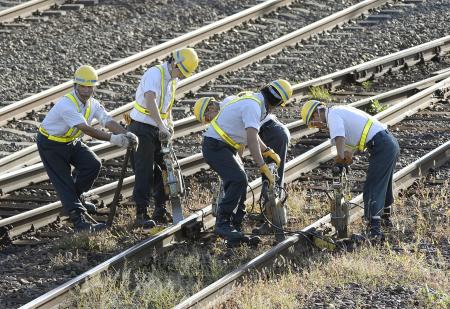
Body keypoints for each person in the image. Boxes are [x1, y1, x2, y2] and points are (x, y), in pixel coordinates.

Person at [37, 65, 138, 233]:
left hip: (70, 141)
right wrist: (115, 139)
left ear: (94, 88)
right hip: (51, 144)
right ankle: (79, 222)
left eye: (89, 87)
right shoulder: (67, 105)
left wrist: (127, 134)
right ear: (75, 85)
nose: (85, 90)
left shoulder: (93, 104)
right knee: (64, 181)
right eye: (82, 86)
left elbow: (107, 120)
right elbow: (87, 129)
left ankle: (76, 198)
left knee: (92, 164)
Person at [194, 79, 293, 244]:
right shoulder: (254, 106)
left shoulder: (256, 104)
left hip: (224, 146)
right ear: (278, 102)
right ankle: (223, 223)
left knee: (239, 182)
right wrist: (262, 165)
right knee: (239, 179)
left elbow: (253, 138)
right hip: (215, 146)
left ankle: (236, 227)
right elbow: (252, 138)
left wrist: (267, 150)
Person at [300, 100, 400, 239]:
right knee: (384, 183)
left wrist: (340, 159)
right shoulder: (338, 111)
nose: (316, 126)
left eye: (312, 122)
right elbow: (350, 146)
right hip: (388, 142)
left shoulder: (332, 115)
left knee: (373, 185)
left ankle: (374, 230)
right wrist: (345, 160)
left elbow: (340, 137)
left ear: (316, 113)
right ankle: (385, 220)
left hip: (382, 144)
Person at [127, 48, 199, 228]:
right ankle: (141, 213)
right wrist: (161, 125)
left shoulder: (172, 80)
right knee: (144, 170)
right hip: (142, 127)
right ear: (175, 63)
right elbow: (150, 100)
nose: (182, 76)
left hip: (157, 128)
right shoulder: (155, 73)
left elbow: (166, 106)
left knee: (164, 169)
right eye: (181, 71)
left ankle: (160, 208)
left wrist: (169, 124)